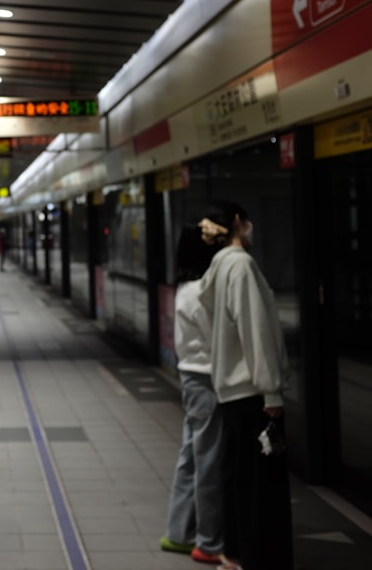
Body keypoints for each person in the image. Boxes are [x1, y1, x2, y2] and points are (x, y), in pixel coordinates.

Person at [198, 201, 292, 570]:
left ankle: (233, 556)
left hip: (230, 393)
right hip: (252, 394)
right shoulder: (241, 266)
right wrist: (270, 389)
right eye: (248, 221)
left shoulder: (217, 268)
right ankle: (257, 560)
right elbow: (256, 331)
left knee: (238, 482)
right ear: (238, 222)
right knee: (261, 490)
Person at [160, 225, 225, 564]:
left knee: (190, 460)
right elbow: (220, 342)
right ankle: (209, 541)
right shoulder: (202, 291)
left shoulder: (184, 288)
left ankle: (178, 532)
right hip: (207, 383)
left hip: (192, 380)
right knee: (209, 463)